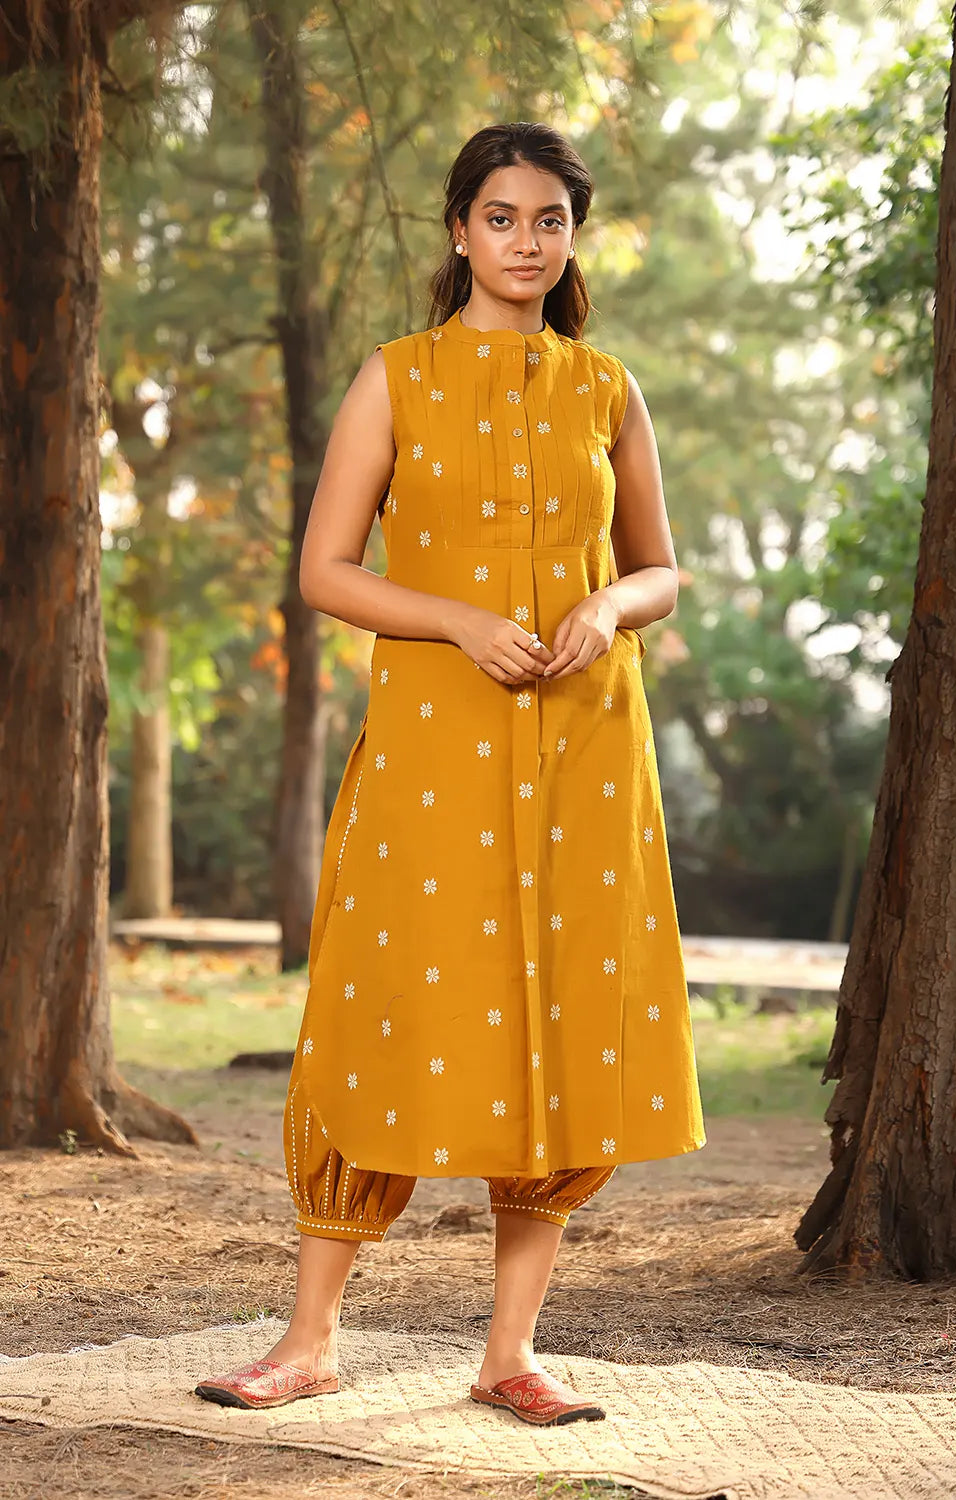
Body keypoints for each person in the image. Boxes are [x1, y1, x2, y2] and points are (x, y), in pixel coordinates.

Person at [195, 121, 705, 1426]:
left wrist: (608, 606)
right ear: (460, 231)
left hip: (585, 742)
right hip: (434, 745)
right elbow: (326, 571)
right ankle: (307, 1341)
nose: (526, 242)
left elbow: (660, 565)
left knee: (562, 1028)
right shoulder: (398, 377)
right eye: (501, 217)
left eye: (550, 220)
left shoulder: (608, 389)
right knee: (382, 1004)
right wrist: (459, 621)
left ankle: (509, 1355)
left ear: (573, 238)